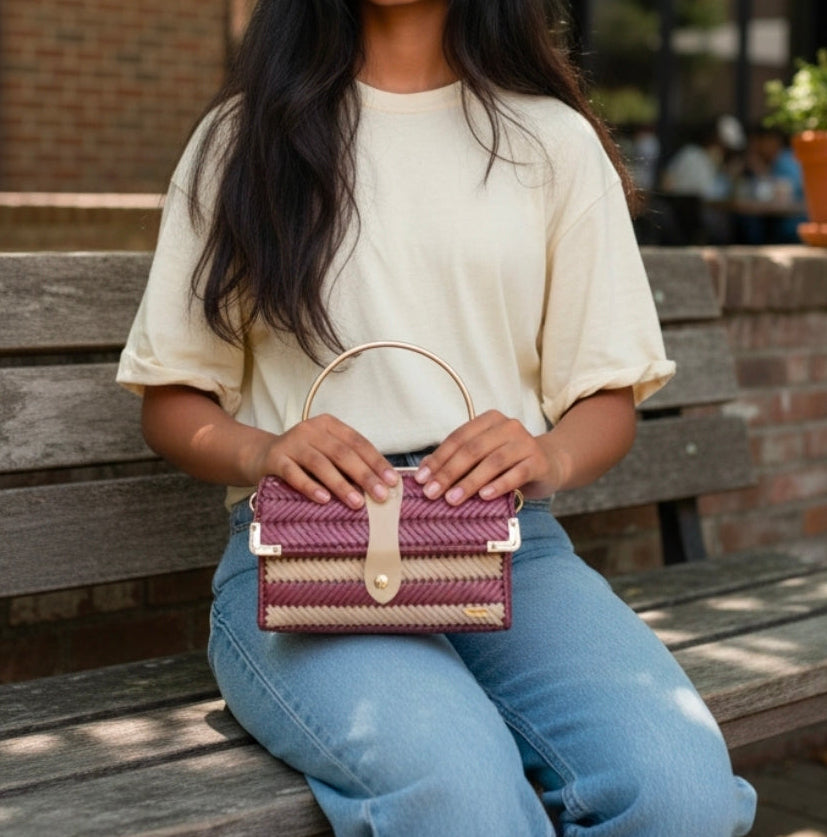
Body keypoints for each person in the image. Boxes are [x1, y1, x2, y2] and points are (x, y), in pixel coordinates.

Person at [116, 1, 757, 834]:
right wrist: (266, 450)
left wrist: (546, 455)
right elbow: (173, 399)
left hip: (507, 546)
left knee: (681, 796)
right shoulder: (244, 140)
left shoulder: (551, 143)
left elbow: (604, 396)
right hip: (308, 558)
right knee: (463, 801)